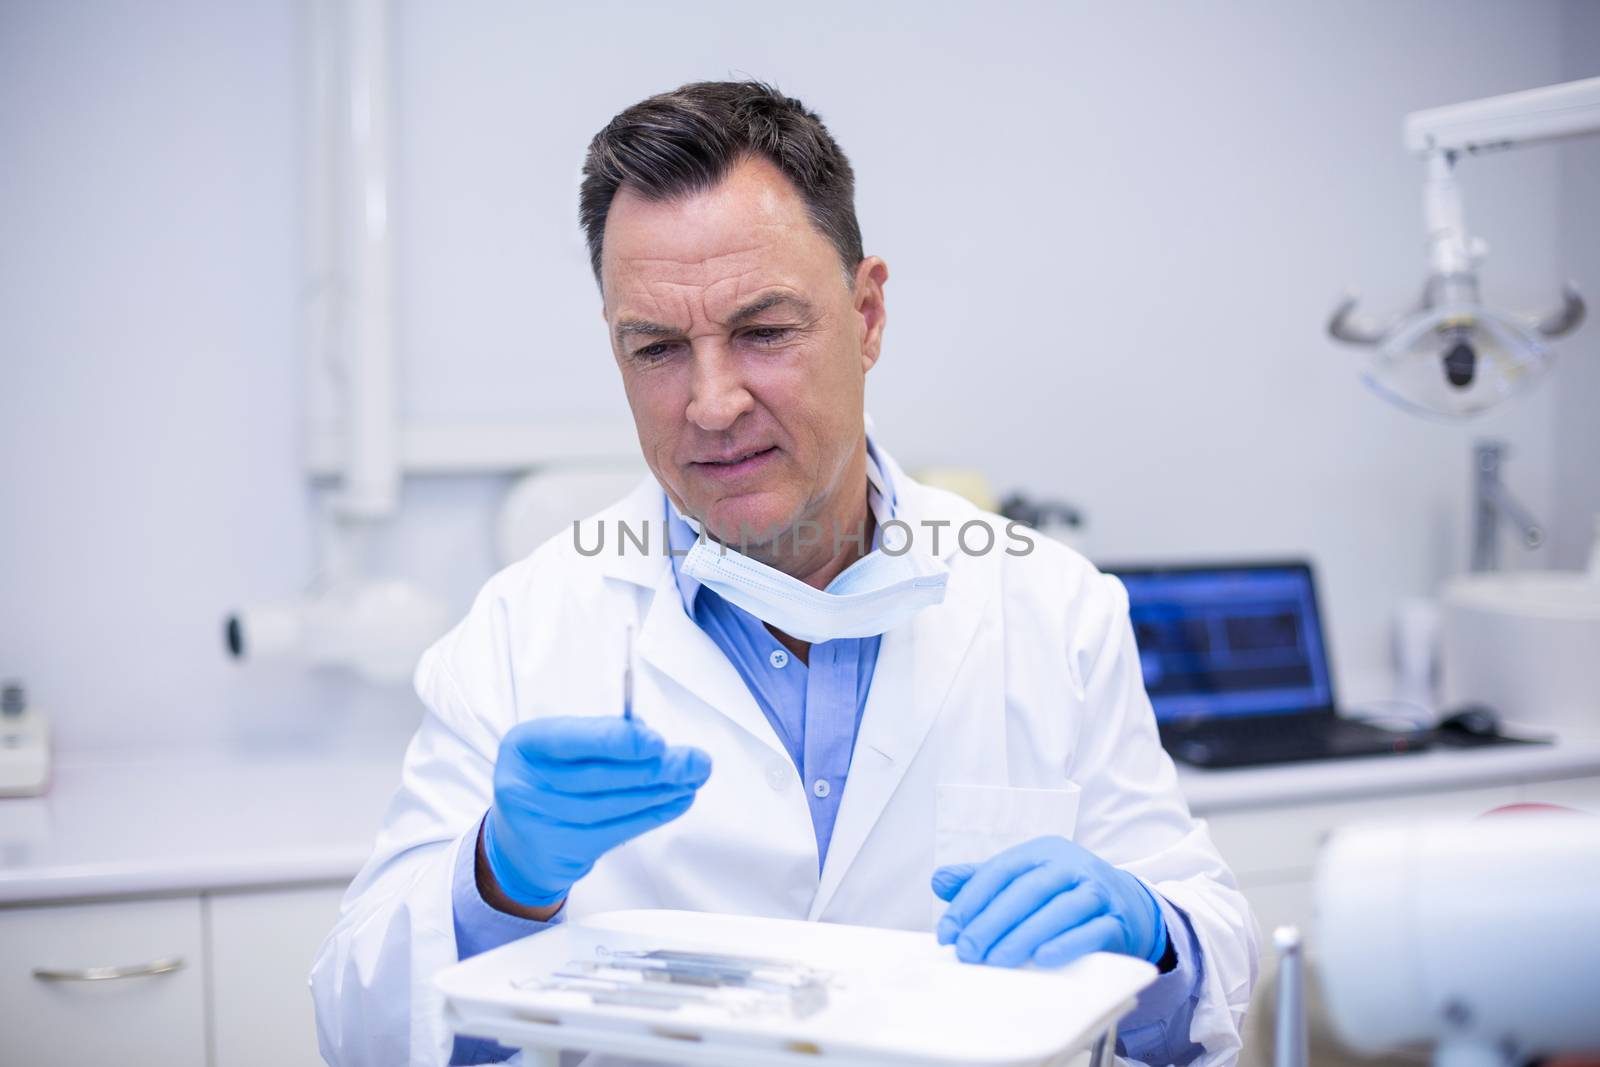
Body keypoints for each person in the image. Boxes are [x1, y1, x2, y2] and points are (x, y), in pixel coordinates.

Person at [311, 80, 1257, 1067]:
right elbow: (359, 1026)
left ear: (868, 313)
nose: (712, 402)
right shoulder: (523, 629)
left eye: (763, 331)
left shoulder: (1051, 605)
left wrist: (1153, 930)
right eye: (658, 348)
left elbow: (1212, 962)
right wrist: (497, 878)